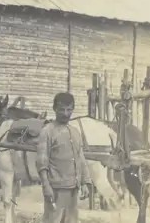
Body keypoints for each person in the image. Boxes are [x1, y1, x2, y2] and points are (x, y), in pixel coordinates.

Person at [36, 93, 92, 223]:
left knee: (71, 220)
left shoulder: (75, 131)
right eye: (62, 109)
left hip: (73, 187)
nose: (66, 113)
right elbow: (41, 162)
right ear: (54, 108)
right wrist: (46, 186)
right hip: (56, 189)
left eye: (69, 109)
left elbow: (80, 158)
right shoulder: (47, 131)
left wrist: (84, 182)